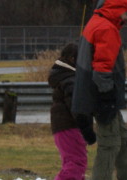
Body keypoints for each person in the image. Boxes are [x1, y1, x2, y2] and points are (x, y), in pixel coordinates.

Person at [71, 0, 127, 179]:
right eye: (126, 10)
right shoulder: (107, 29)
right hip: (102, 98)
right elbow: (102, 70)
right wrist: (107, 98)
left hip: (98, 97)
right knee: (109, 145)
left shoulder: (96, 22)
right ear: (117, 9)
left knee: (123, 142)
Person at [48, 44, 96, 180]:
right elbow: (77, 108)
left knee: (72, 164)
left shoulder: (66, 77)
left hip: (64, 127)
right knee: (76, 163)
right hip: (70, 127)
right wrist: (87, 130)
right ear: (73, 59)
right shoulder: (71, 80)